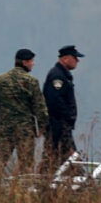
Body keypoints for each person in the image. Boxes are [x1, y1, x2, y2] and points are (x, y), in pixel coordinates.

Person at [0, 48, 48, 183]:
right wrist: (42, 128)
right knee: (26, 167)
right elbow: (40, 107)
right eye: (31, 61)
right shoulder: (31, 81)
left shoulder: (0, 80)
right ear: (25, 62)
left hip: (5, 129)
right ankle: (24, 195)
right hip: (25, 130)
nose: (33, 64)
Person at [40, 45, 85, 175]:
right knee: (68, 155)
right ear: (65, 59)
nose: (77, 61)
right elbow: (54, 101)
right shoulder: (57, 76)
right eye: (75, 58)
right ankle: (81, 181)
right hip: (58, 125)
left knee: (54, 155)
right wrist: (66, 118)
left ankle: (46, 180)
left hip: (62, 125)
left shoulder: (63, 75)